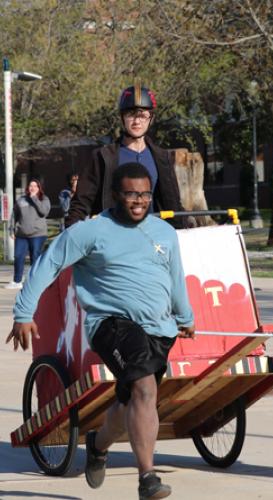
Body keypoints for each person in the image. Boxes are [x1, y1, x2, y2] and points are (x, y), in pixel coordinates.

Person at [6, 163, 195, 499]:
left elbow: (174, 277)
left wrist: (185, 316)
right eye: (130, 193)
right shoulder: (91, 232)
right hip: (111, 325)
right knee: (145, 388)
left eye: (145, 194)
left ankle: (98, 443)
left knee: (130, 402)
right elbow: (48, 263)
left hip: (159, 330)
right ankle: (147, 479)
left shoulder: (163, 232)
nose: (139, 200)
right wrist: (23, 313)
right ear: (115, 195)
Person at [65, 84, 184, 228]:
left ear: (151, 118)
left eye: (142, 116)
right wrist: (70, 234)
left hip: (153, 237)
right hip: (114, 237)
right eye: (131, 115)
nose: (137, 121)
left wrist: (183, 230)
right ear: (122, 117)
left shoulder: (162, 157)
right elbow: (81, 204)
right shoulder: (103, 157)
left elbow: (173, 202)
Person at [5, 179, 51, 290]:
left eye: (35, 186)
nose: (33, 188)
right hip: (22, 234)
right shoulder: (21, 200)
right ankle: (17, 281)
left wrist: (34, 198)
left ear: (39, 188)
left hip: (38, 234)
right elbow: (14, 215)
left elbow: (44, 212)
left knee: (35, 256)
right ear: (28, 188)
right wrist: (11, 230)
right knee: (18, 256)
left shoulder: (44, 199)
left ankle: (34, 281)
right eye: (31, 186)